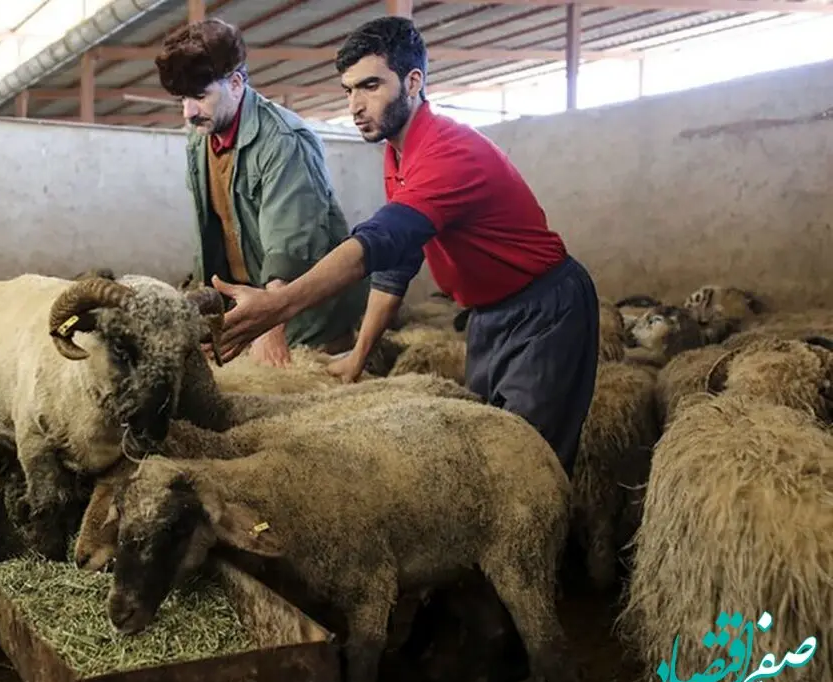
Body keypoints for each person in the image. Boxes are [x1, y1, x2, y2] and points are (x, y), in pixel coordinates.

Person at [209, 15, 599, 479]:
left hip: (544, 310)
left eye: (370, 86)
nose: (355, 105)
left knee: (526, 469)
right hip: (487, 317)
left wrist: (278, 306)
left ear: (413, 82)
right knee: (489, 451)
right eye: (348, 90)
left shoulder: (448, 151)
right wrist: (359, 355)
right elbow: (396, 265)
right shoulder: (398, 154)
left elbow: (378, 241)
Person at [154, 18, 369, 366]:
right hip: (249, 307)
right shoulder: (201, 137)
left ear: (236, 83)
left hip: (303, 317)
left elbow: (290, 245)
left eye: (199, 95)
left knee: (302, 400)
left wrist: (270, 328)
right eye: (182, 99)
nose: (188, 112)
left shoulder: (283, 141)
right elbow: (213, 228)